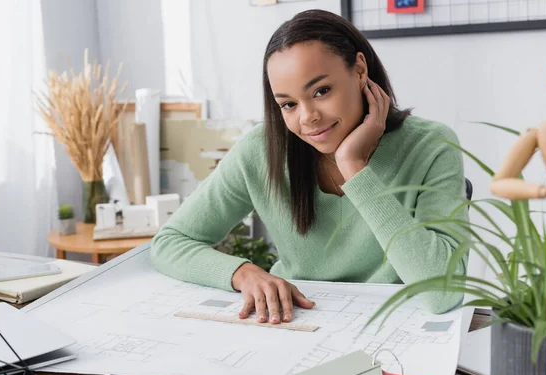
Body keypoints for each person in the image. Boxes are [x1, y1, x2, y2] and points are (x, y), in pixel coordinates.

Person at [151, 9, 469, 325]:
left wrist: (354, 167)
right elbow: (170, 242)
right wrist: (243, 273)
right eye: (288, 104)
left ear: (360, 70)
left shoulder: (432, 145)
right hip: (293, 324)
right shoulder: (261, 150)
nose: (307, 117)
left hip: (394, 330)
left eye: (321, 91)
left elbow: (443, 294)